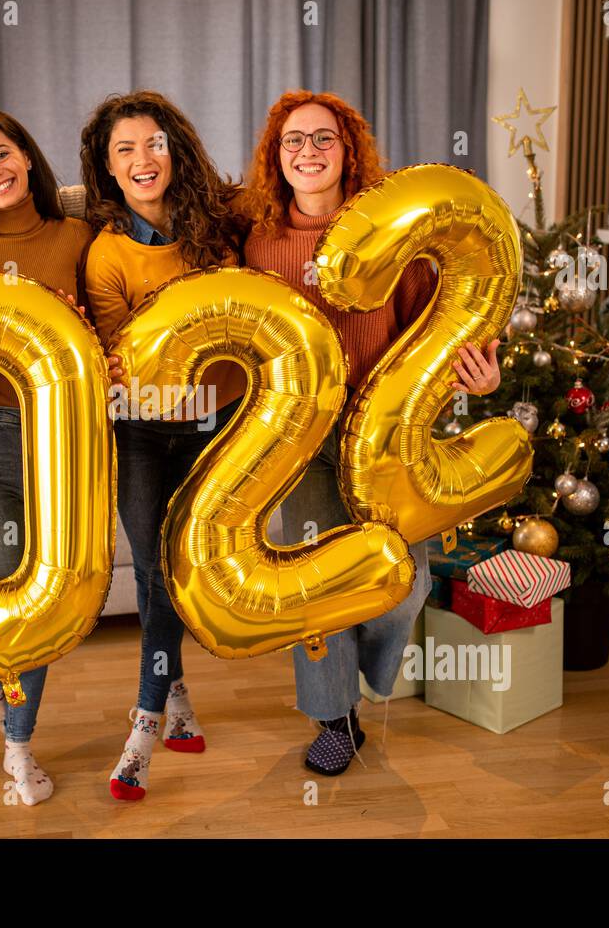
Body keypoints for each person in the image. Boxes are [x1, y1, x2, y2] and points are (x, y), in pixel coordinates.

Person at [239, 91, 501, 775]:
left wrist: (476, 376)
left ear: (348, 151)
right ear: (276, 157)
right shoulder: (257, 239)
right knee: (316, 586)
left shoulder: (398, 238)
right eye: (293, 141)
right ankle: (333, 719)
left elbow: (436, 335)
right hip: (298, 441)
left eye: (324, 139)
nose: (309, 152)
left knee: (405, 581)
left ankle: (363, 681)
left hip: (386, 436)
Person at [80, 91, 246, 801]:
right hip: (143, 429)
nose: (142, 159)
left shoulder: (223, 227)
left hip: (221, 422)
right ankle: (153, 717)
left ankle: (165, 696)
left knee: (185, 566)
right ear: (107, 169)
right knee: (152, 569)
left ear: (175, 152)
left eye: (154, 143)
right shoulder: (106, 254)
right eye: (125, 150)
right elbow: (129, 361)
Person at [0, 108, 94, 805]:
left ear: (27, 157)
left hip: (58, 437)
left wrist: (80, 322)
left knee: (35, 610)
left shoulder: (80, 236)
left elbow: (112, 337)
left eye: (1, 155)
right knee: (5, 605)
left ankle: (11, 720)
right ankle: (18, 743)